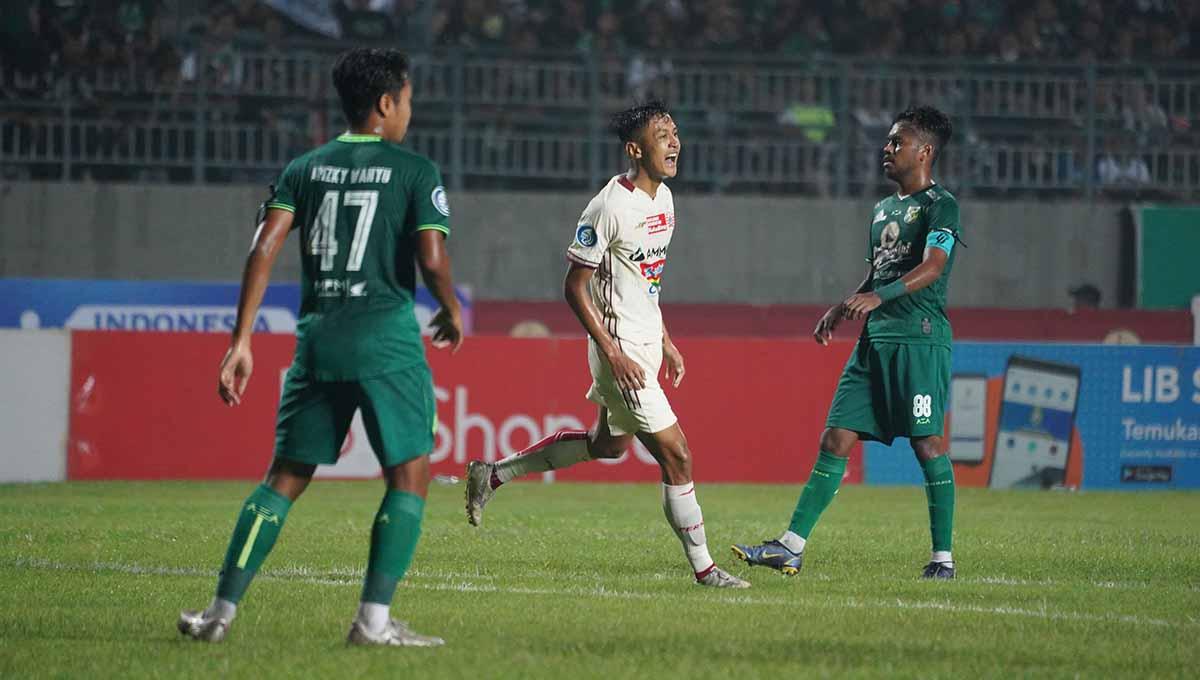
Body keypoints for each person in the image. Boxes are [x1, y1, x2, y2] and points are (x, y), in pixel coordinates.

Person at [177, 48, 464, 647]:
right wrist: (451, 307)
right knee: (409, 476)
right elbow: (432, 257)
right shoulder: (415, 171)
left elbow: (262, 248)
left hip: (318, 341)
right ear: (386, 104)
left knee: (284, 477)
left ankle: (218, 614)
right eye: (407, 101)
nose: (409, 112)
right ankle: (373, 623)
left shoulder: (304, 168)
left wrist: (241, 340)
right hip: (385, 340)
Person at [464, 100, 749, 589]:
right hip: (620, 352)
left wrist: (667, 339)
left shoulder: (665, 200)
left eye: (676, 132)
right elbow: (574, 286)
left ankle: (492, 474)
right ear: (636, 149)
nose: (675, 141)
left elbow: (646, 282)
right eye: (663, 135)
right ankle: (706, 569)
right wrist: (614, 353)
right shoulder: (609, 206)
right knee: (677, 455)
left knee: (608, 446)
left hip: (644, 342)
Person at [733, 106, 963, 580]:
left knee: (927, 444)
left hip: (918, 339)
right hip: (873, 340)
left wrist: (880, 296)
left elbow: (934, 266)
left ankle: (943, 558)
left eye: (897, 142)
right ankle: (790, 547)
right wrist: (844, 306)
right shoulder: (881, 210)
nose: (887, 148)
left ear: (925, 151)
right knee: (836, 437)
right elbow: (878, 271)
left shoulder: (942, 204)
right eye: (888, 141)